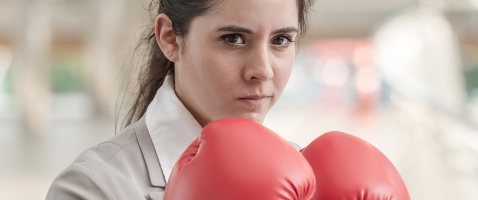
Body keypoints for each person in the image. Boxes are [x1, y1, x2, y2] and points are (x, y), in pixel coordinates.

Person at [45, 0, 314, 199]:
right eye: (234, 39)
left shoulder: (305, 172)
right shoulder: (92, 187)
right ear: (170, 38)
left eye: (281, 40)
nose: (263, 70)